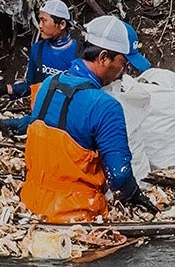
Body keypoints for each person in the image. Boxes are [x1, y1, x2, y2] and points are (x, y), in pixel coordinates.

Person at [20, 14, 155, 223]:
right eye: (122, 63)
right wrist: (135, 196)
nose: (123, 71)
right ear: (103, 58)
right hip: (76, 216)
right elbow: (119, 175)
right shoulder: (105, 105)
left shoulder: (47, 84)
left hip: (31, 206)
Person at [6, 0, 83, 98]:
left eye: (44, 20)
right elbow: (30, 86)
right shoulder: (38, 49)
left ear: (62, 24)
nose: (40, 25)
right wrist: (6, 89)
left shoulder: (79, 53)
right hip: (40, 106)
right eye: (39, 20)